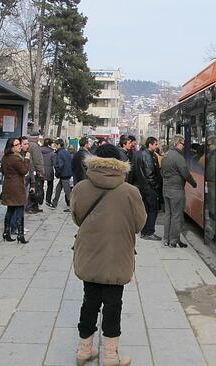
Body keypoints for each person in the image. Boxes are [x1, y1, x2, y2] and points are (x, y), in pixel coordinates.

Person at [71, 143, 146, 366]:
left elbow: (76, 218)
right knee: (114, 305)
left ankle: (84, 351)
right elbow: (139, 223)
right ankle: (111, 357)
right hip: (117, 255)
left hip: (89, 254)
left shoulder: (81, 188)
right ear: (120, 164)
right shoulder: (130, 192)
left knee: (89, 301)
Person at [161, 135, 197, 248]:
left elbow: (162, 172)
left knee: (168, 214)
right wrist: (194, 184)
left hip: (166, 189)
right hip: (176, 190)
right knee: (177, 216)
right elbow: (185, 173)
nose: (183, 146)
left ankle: (166, 239)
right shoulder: (178, 157)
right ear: (177, 143)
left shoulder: (165, 155)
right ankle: (174, 241)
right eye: (182, 143)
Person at [1, 137, 30, 244]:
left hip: (8, 185)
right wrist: (27, 159)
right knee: (19, 210)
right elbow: (24, 170)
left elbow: (3, 171)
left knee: (10, 209)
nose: (19, 146)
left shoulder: (5, 157)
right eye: (16, 145)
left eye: (19, 144)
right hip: (16, 187)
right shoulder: (16, 158)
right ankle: (20, 234)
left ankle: (6, 232)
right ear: (11, 147)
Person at [134, 137, 163, 241]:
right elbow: (150, 174)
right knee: (152, 210)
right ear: (150, 144)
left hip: (144, 187)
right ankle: (149, 232)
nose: (157, 146)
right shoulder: (148, 156)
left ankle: (145, 231)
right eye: (155, 144)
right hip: (150, 188)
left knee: (147, 210)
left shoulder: (142, 154)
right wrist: (156, 187)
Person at [51, 138, 72, 212]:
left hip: (64, 174)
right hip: (67, 173)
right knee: (58, 188)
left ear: (59, 145)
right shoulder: (66, 152)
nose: (55, 147)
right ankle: (54, 203)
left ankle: (72, 206)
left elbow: (60, 165)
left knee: (67, 192)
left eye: (56, 145)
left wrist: (57, 173)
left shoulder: (60, 153)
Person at [27, 132, 46, 213]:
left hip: (29, 169)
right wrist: (41, 171)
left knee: (32, 188)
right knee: (35, 188)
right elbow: (37, 160)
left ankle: (34, 206)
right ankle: (32, 206)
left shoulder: (27, 144)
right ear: (36, 137)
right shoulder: (35, 146)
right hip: (34, 170)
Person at [41, 138, 57, 207]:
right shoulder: (52, 153)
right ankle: (48, 200)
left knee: (40, 185)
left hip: (41, 169)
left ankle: (40, 199)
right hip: (49, 171)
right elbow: (55, 164)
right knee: (50, 186)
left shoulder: (39, 150)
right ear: (50, 144)